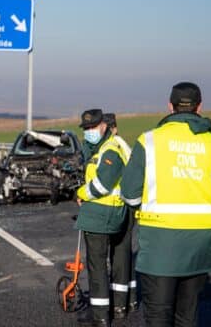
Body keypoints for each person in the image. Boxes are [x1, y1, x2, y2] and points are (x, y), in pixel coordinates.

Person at [120, 82, 211, 327]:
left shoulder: (148, 141)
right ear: (199, 107)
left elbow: (129, 195)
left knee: (158, 314)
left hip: (160, 244)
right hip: (201, 246)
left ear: (170, 106)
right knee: (188, 315)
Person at [75, 109, 130, 327]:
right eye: (86, 128)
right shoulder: (106, 147)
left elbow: (102, 185)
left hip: (102, 214)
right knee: (116, 262)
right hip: (111, 213)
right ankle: (118, 307)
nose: (89, 131)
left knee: (97, 266)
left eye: (92, 127)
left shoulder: (110, 150)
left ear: (103, 126)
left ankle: (99, 316)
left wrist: (80, 193)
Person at [101, 112, 138, 317]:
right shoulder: (124, 145)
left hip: (119, 207)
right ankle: (130, 300)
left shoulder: (115, 147)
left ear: (113, 128)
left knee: (120, 256)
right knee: (124, 255)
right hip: (127, 206)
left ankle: (119, 305)